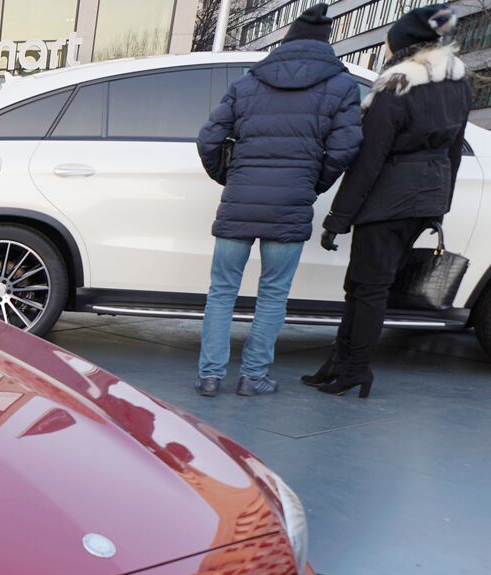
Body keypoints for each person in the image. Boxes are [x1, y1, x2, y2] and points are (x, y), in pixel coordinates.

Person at [195, 4, 362, 397]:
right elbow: (346, 146)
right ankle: (253, 378)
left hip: (241, 199)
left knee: (222, 290)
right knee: (273, 293)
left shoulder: (248, 82)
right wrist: (312, 183)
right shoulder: (341, 85)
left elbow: (209, 140)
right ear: (326, 44)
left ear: (286, 42)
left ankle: (209, 375)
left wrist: (231, 177)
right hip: (291, 201)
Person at [308, 4, 472, 397]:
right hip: (423, 198)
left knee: (368, 288)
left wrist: (337, 218)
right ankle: (339, 363)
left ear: (402, 45)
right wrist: (439, 206)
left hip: (389, 198)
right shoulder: (458, 83)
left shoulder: (397, 84)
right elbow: (452, 151)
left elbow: (370, 158)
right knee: (364, 284)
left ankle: (355, 370)